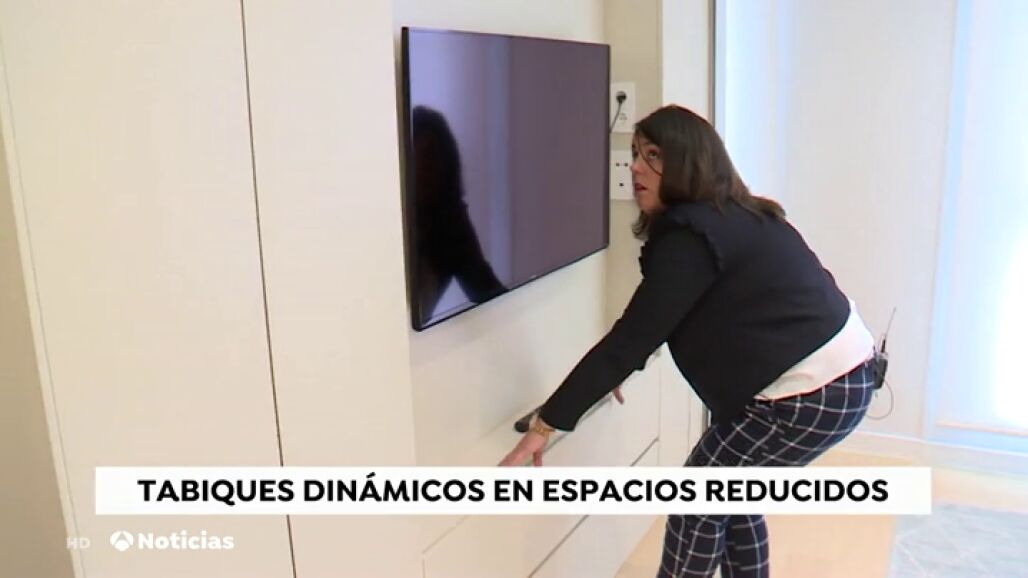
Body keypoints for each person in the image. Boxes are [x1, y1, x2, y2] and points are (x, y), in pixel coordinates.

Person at [499, 105, 877, 578]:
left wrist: (547, 424)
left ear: (688, 162)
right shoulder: (735, 216)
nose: (635, 167)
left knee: (697, 503)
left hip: (809, 394)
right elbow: (661, 321)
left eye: (653, 155)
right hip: (844, 378)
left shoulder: (691, 237)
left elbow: (631, 338)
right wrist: (615, 370)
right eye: (635, 153)